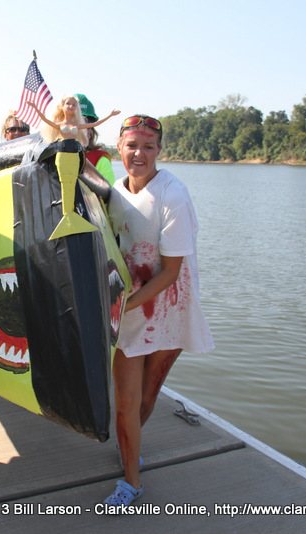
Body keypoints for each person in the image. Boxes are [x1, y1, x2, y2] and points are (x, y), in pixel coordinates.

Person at [104, 115, 214, 508]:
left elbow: (170, 272)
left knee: (146, 399)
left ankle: (130, 447)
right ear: (119, 148)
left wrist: (124, 307)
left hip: (169, 308)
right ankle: (131, 482)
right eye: (132, 145)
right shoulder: (112, 193)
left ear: (159, 151)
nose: (139, 154)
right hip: (130, 309)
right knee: (125, 403)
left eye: (148, 147)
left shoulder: (173, 195)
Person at [28, 94, 119, 146]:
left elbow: (96, 124)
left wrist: (110, 115)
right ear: (61, 106)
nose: (71, 106)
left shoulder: (77, 126)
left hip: (74, 153)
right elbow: (44, 119)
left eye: (74, 105)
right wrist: (35, 107)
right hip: (61, 151)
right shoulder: (59, 125)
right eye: (68, 103)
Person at [75, 93, 116, 185]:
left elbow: (109, 193)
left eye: (84, 123)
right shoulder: (49, 158)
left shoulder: (101, 162)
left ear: (90, 132)